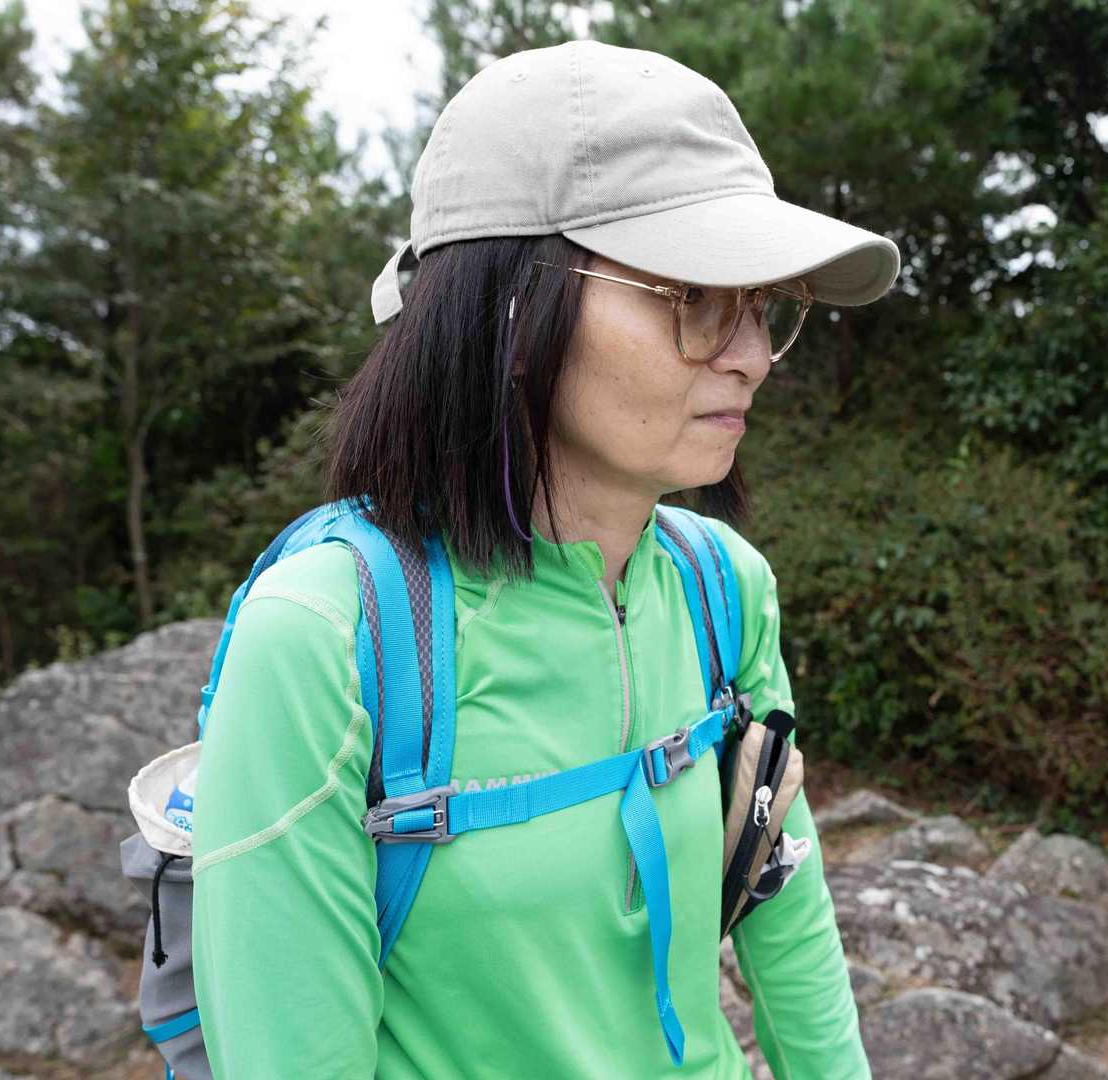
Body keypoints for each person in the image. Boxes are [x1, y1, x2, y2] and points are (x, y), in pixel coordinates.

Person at [188, 39, 899, 1079]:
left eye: (760, 306)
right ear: (512, 309)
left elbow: (786, 920)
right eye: (694, 297)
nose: (750, 355)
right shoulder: (328, 639)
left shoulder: (720, 589)